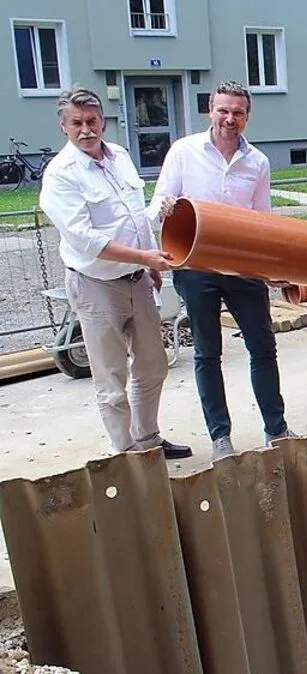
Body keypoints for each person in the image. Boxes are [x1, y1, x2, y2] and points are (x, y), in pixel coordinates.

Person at [38, 86, 192, 459]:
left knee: (153, 365)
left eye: (92, 121)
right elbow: (87, 240)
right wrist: (145, 256)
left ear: (103, 122)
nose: (86, 130)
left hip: (137, 280)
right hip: (95, 286)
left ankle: (147, 440)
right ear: (63, 127)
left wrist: (148, 260)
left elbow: (135, 216)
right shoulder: (61, 175)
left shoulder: (120, 156)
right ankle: (125, 455)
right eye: (77, 123)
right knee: (111, 378)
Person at [149, 80, 294, 460]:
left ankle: (276, 428)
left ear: (247, 116)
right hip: (197, 267)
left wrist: (270, 267)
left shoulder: (257, 162)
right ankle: (220, 438)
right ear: (210, 110)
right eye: (223, 111)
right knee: (207, 352)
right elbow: (158, 204)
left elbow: (262, 219)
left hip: (243, 267)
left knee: (263, 348)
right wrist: (164, 208)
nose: (230, 119)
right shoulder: (184, 152)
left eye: (238, 113)